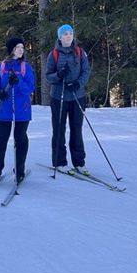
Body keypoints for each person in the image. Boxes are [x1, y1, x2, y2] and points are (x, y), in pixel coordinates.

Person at [0, 37, 36, 185]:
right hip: (4, 111)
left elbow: (29, 88)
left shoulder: (26, 68)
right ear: (11, 50)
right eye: (17, 47)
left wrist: (18, 82)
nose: (21, 50)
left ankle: (19, 171)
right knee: (1, 142)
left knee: (20, 141)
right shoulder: (0, 67)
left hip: (22, 111)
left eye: (22, 47)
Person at [45, 24, 90, 172]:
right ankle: (59, 162)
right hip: (59, 97)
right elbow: (48, 76)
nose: (68, 36)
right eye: (65, 34)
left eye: (70, 33)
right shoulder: (53, 55)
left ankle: (79, 162)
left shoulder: (80, 52)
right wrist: (59, 75)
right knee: (59, 129)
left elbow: (86, 71)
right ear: (60, 37)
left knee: (77, 129)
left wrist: (77, 84)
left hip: (77, 96)